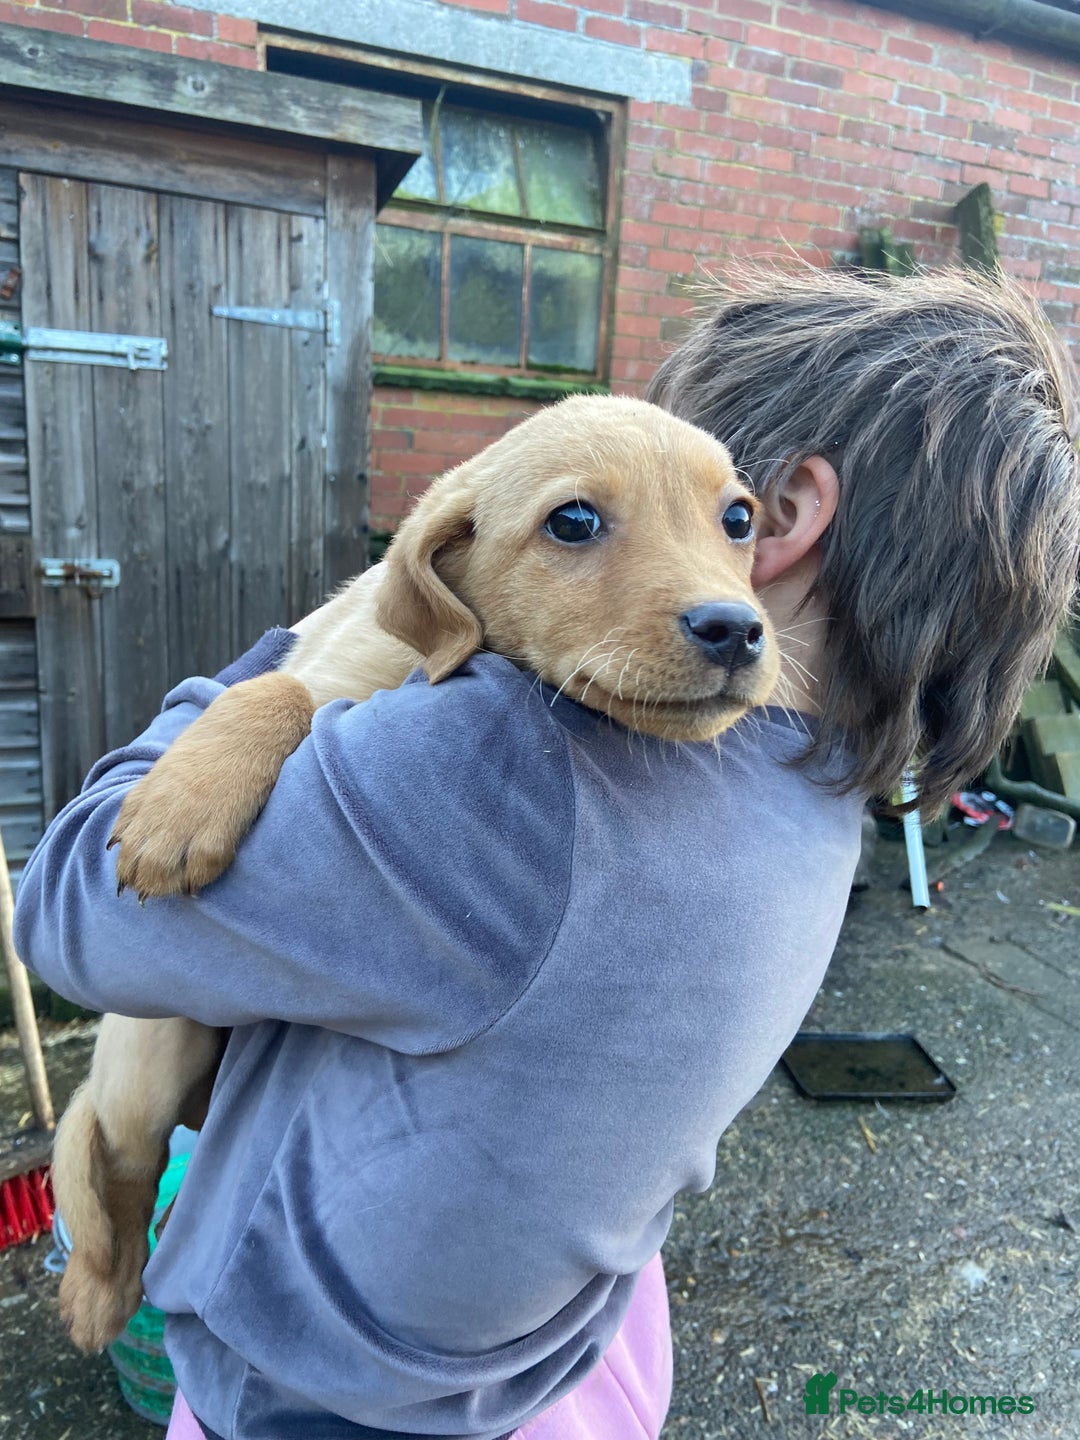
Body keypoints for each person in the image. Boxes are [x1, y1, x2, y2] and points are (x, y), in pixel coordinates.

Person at [15, 266, 1080, 1440]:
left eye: (727, 515)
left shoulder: (501, 766)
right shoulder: (819, 791)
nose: (693, 552)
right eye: (581, 522)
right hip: (557, 1357)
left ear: (782, 517)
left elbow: (72, 906)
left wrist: (271, 679)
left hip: (324, 1396)